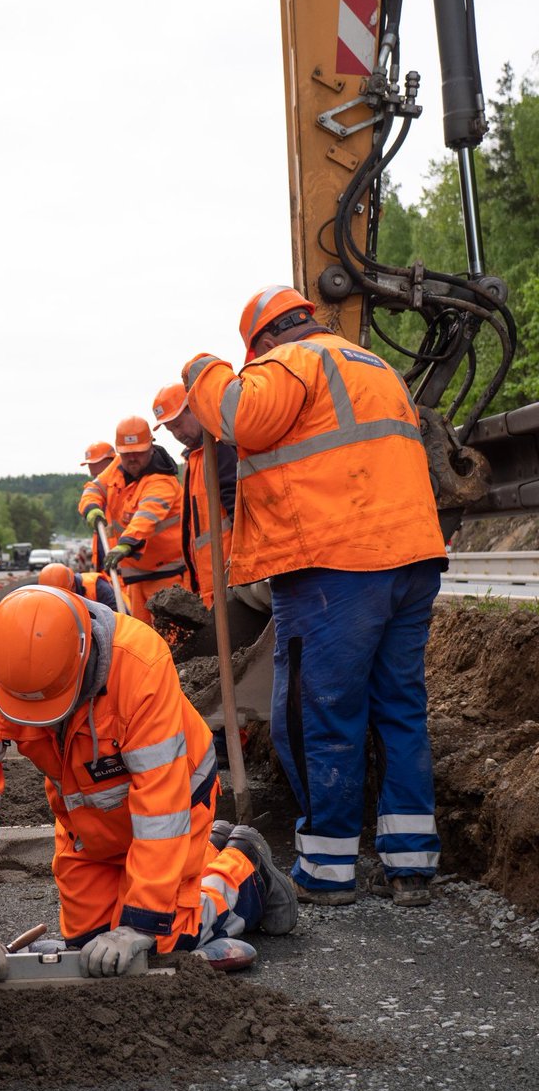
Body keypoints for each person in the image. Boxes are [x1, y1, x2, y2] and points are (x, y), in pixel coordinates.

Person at [183, 284, 447, 909]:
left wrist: (202, 370)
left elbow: (239, 414)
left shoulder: (290, 363)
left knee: (314, 713)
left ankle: (327, 864)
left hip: (337, 565)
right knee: (400, 707)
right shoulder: (373, 366)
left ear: (264, 340)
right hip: (411, 557)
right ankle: (410, 864)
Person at [0, 585, 297, 983]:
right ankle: (206, 854)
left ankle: (245, 871)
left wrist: (141, 925)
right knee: (91, 945)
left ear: (84, 657)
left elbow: (161, 808)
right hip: (86, 815)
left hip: (177, 800)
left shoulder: (140, 665)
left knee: (160, 942)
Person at [78, 416, 186, 625]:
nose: (132, 458)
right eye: (127, 454)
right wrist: (91, 507)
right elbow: (94, 488)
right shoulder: (118, 466)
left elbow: (145, 518)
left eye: (138, 452)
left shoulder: (162, 482)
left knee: (172, 637)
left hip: (167, 575)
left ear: (151, 448)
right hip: (136, 576)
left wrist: (126, 544)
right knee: (141, 633)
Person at [151, 382, 236, 609]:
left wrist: (239, 561)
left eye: (178, 425)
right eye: (171, 430)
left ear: (194, 408)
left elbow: (239, 508)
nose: (177, 434)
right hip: (210, 583)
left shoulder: (220, 449)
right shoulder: (194, 458)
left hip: (230, 580)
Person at [37, 560, 120, 611]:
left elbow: (115, 616)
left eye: (63, 595)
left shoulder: (98, 587)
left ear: (73, 586)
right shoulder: (47, 599)